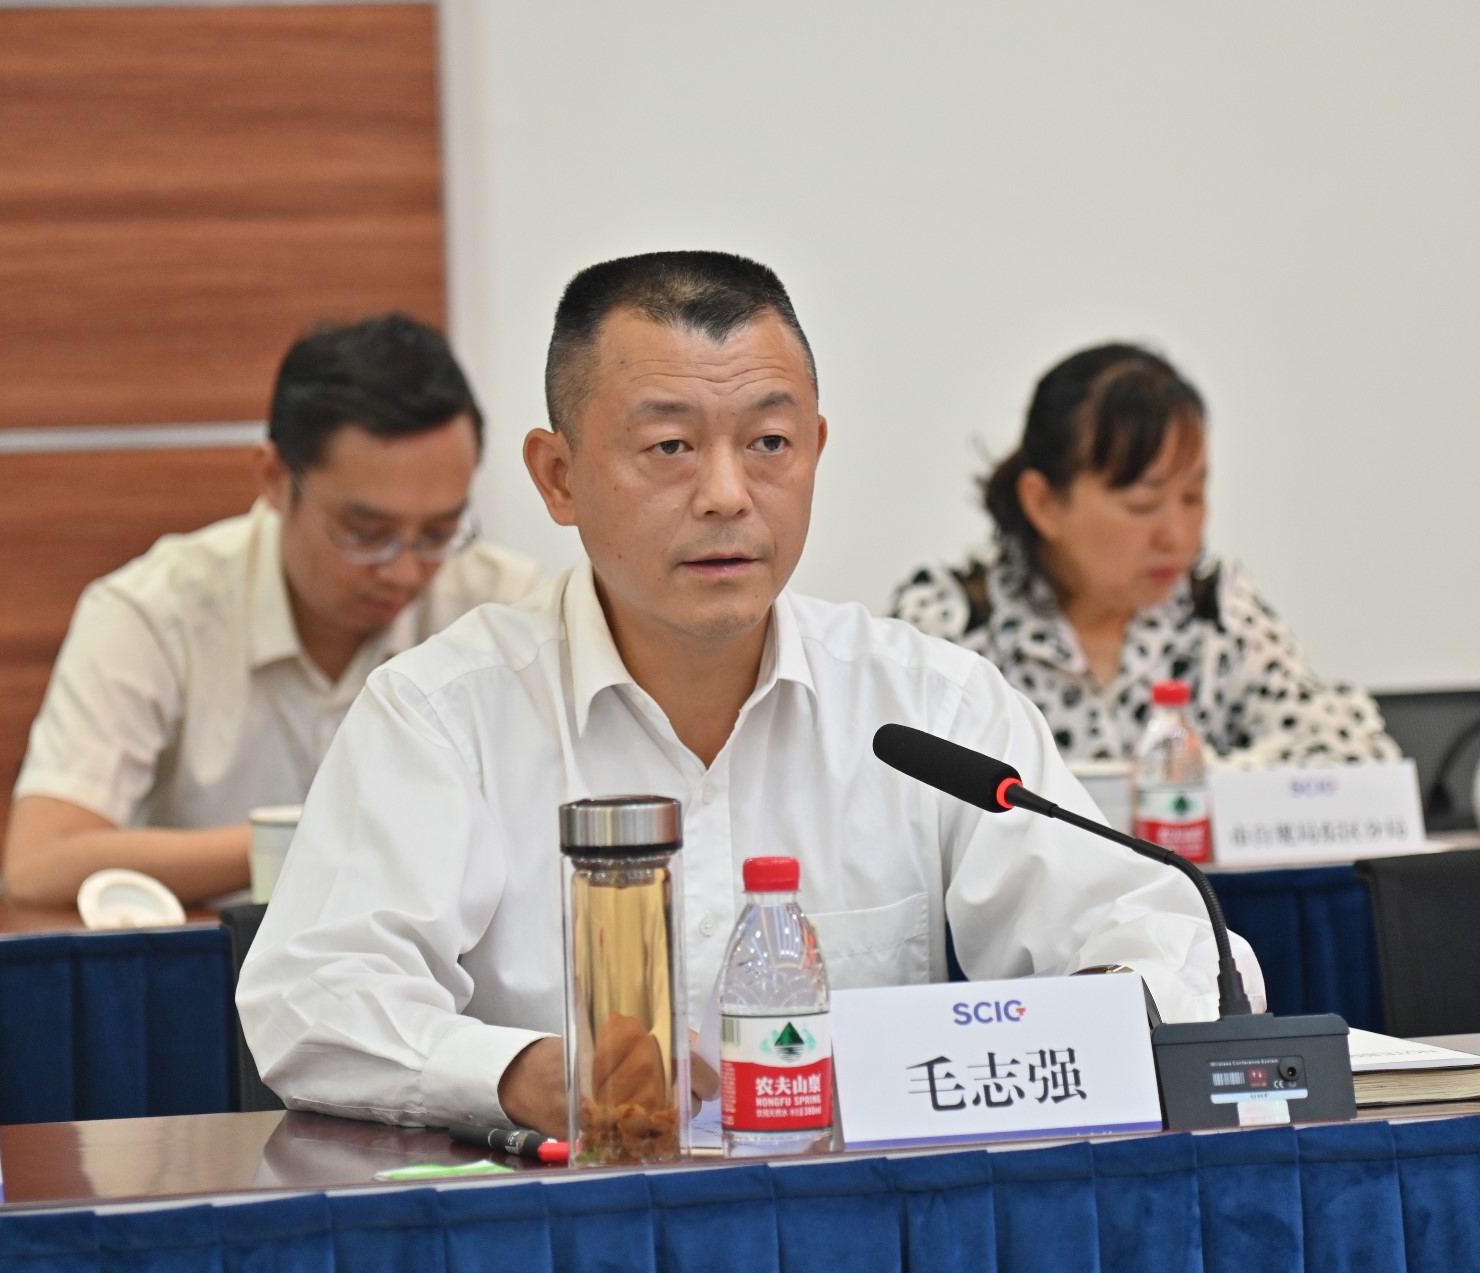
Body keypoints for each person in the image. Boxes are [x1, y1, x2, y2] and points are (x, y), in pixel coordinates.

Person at [237, 253, 1265, 1138]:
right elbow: (314, 998)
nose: (728, 494)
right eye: (670, 447)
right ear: (558, 477)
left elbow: (1174, 942)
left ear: (815, 450)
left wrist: (1091, 1013)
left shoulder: (928, 704)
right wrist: (523, 1073)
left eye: (769, 443)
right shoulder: (443, 713)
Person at [2, 314, 542, 907]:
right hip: (220, 960)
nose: (405, 571)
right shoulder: (156, 613)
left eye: (438, 533)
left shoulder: (504, 607)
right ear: (275, 478)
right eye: (366, 533)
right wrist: (318, 838)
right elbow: (41, 864)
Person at [892, 343, 1398, 767]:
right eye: (1143, 505)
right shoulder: (952, 624)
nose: (1176, 535)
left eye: (1193, 497)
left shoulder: (1216, 613)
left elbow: (1354, 753)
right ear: (1043, 503)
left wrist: (1196, 785)